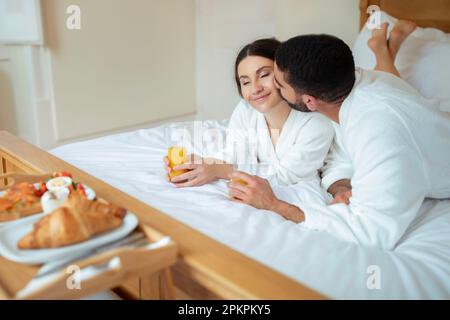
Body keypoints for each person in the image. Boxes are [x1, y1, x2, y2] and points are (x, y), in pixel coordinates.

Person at [228, 28, 450, 250]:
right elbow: (344, 150)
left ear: (309, 102)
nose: (269, 87)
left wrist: (275, 206)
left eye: (279, 83)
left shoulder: (380, 131)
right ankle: (385, 52)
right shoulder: (349, 87)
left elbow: (369, 232)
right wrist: (340, 186)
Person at [165, 38, 334, 188]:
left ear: (285, 74)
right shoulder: (245, 110)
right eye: (245, 82)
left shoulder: (316, 123)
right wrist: (199, 164)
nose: (255, 89)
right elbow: (234, 153)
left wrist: (220, 170)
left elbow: (285, 176)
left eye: (264, 75)